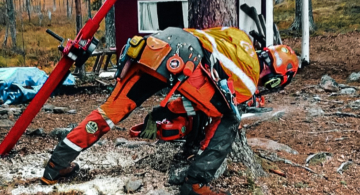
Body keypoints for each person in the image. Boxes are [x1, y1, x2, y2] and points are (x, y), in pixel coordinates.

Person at [41, 27, 299, 195]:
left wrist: (166, 112)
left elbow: (200, 93)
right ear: (276, 79)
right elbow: (213, 107)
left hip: (156, 45)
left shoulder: (237, 36)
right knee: (230, 118)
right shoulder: (249, 80)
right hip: (186, 59)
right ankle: (196, 182)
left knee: (110, 111)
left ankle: (56, 164)